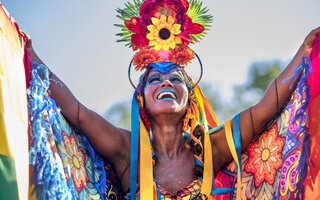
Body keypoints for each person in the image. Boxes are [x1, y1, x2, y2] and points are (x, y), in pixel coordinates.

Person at [24, 0, 320, 199]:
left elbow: (266, 108)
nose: (166, 82)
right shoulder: (127, 152)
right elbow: (78, 114)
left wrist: (304, 51)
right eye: (155, 79)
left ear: (190, 97)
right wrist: (31, 57)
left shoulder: (212, 149)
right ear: (142, 99)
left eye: (176, 78)